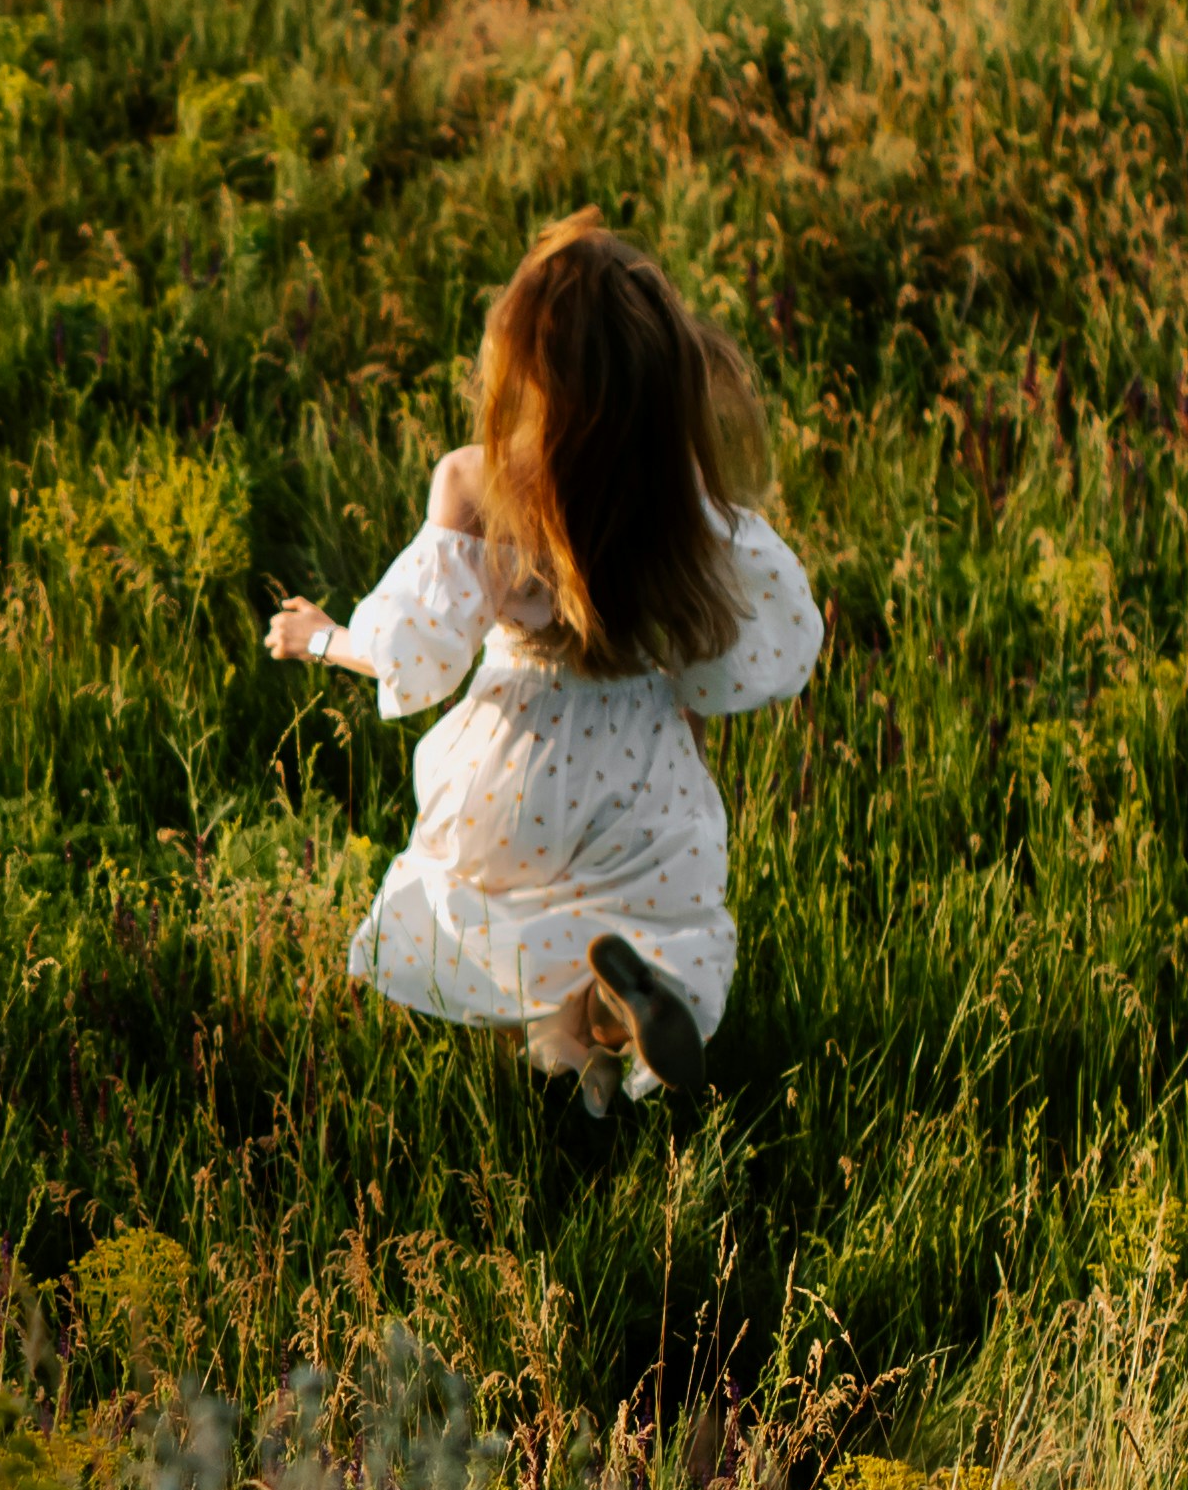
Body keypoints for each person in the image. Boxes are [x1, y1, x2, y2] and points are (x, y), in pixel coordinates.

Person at [261, 212, 824, 1111]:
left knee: (523, 921)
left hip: (511, 773)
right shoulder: (675, 492)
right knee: (643, 917)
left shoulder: (475, 483)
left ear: (521, 368)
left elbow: (420, 649)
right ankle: (617, 1014)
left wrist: (323, 637)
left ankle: (576, 1071)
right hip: (646, 777)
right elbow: (738, 650)